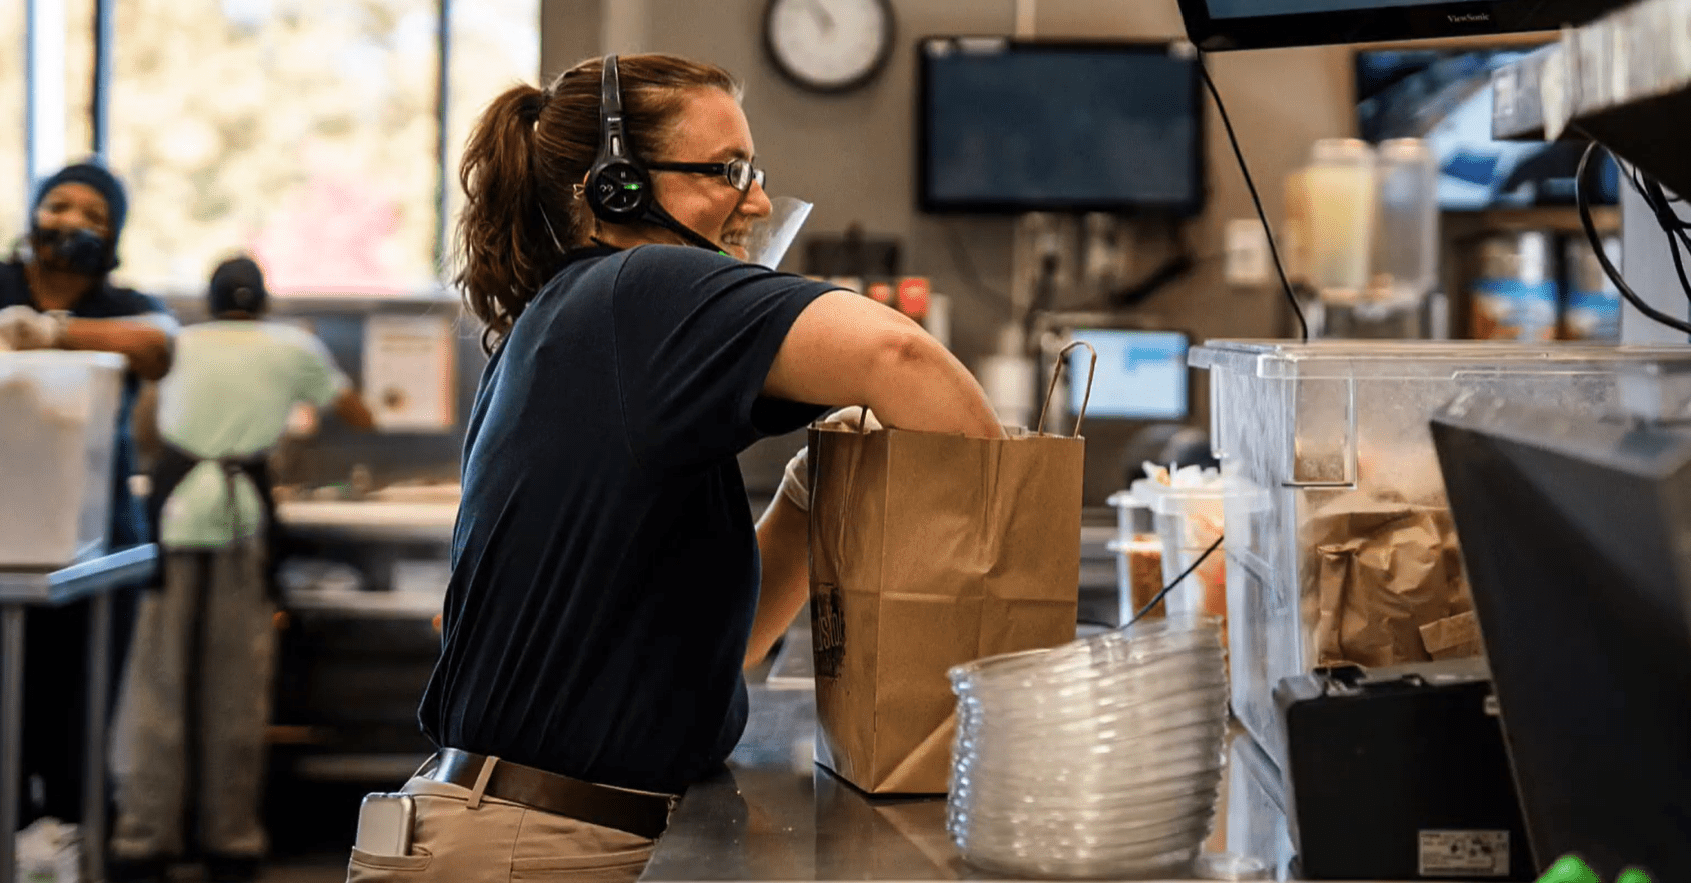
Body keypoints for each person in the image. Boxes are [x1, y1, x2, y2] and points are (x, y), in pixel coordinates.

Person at [345, 55, 1001, 883]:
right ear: (615, 186)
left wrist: (810, 496)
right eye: (727, 170)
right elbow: (902, 355)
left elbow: (703, 654)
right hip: (528, 846)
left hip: (513, 828)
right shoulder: (640, 286)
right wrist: (1009, 539)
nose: (757, 200)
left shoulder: (578, 322)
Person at [108, 255, 375, 882]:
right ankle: (230, 840)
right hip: (240, 519)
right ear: (263, 303)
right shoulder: (293, 344)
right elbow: (360, 415)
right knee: (235, 688)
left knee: (159, 687)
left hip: (171, 518)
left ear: (209, 299)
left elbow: (148, 430)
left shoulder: (177, 340)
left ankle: (145, 839)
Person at [0, 161, 177, 829]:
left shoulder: (125, 304)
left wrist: (51, 331)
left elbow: (160, 347)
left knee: (76, 729)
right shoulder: (3, 283)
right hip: (4, 543)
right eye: (58, 205)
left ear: (113, 237)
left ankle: (78, 846)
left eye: (92, 215)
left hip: (99, 541)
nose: (71, 222)